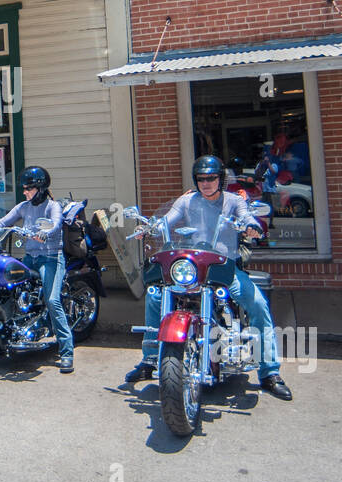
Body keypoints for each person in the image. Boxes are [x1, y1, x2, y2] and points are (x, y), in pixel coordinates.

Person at [125, 155, 292, 401]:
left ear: (220, 179)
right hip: (193, 266)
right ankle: (150, 359)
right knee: (154, 296)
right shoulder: (186, 201)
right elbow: (166, 220)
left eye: (211, 178)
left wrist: (251, 225)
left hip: (224, 267)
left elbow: (245, 216)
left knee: (257, 304)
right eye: (201, 179)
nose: (206, 183)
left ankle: (270, 373)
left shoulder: (233, 201)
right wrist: (149, 227)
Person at [0, 166, 74, 373]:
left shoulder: (52, 206)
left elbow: (56, 224)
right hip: (29, 258)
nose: (25, 192)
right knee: (8, 286)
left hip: (51, 258)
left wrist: (46, 233)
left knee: (52, 301)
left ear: (40, 188)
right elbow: (3, 221)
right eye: (24, 188)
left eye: (28, 188)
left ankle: (67, 352)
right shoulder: (23, 207)